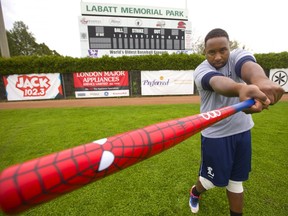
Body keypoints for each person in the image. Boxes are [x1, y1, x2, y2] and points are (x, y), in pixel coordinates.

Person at [190, 28, 284, 216]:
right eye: (211, 52)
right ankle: (195, 191)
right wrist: (241, 88)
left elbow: (248, 67)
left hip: (242, 131)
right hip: (215, 135)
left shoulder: (238, 56)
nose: (218, 56)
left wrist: (261, 81)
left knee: (236, 181)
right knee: (210, 181)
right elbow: (217, 83)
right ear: (204, 53)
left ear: (229, 48)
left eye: (223, 50)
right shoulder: (201, 70)